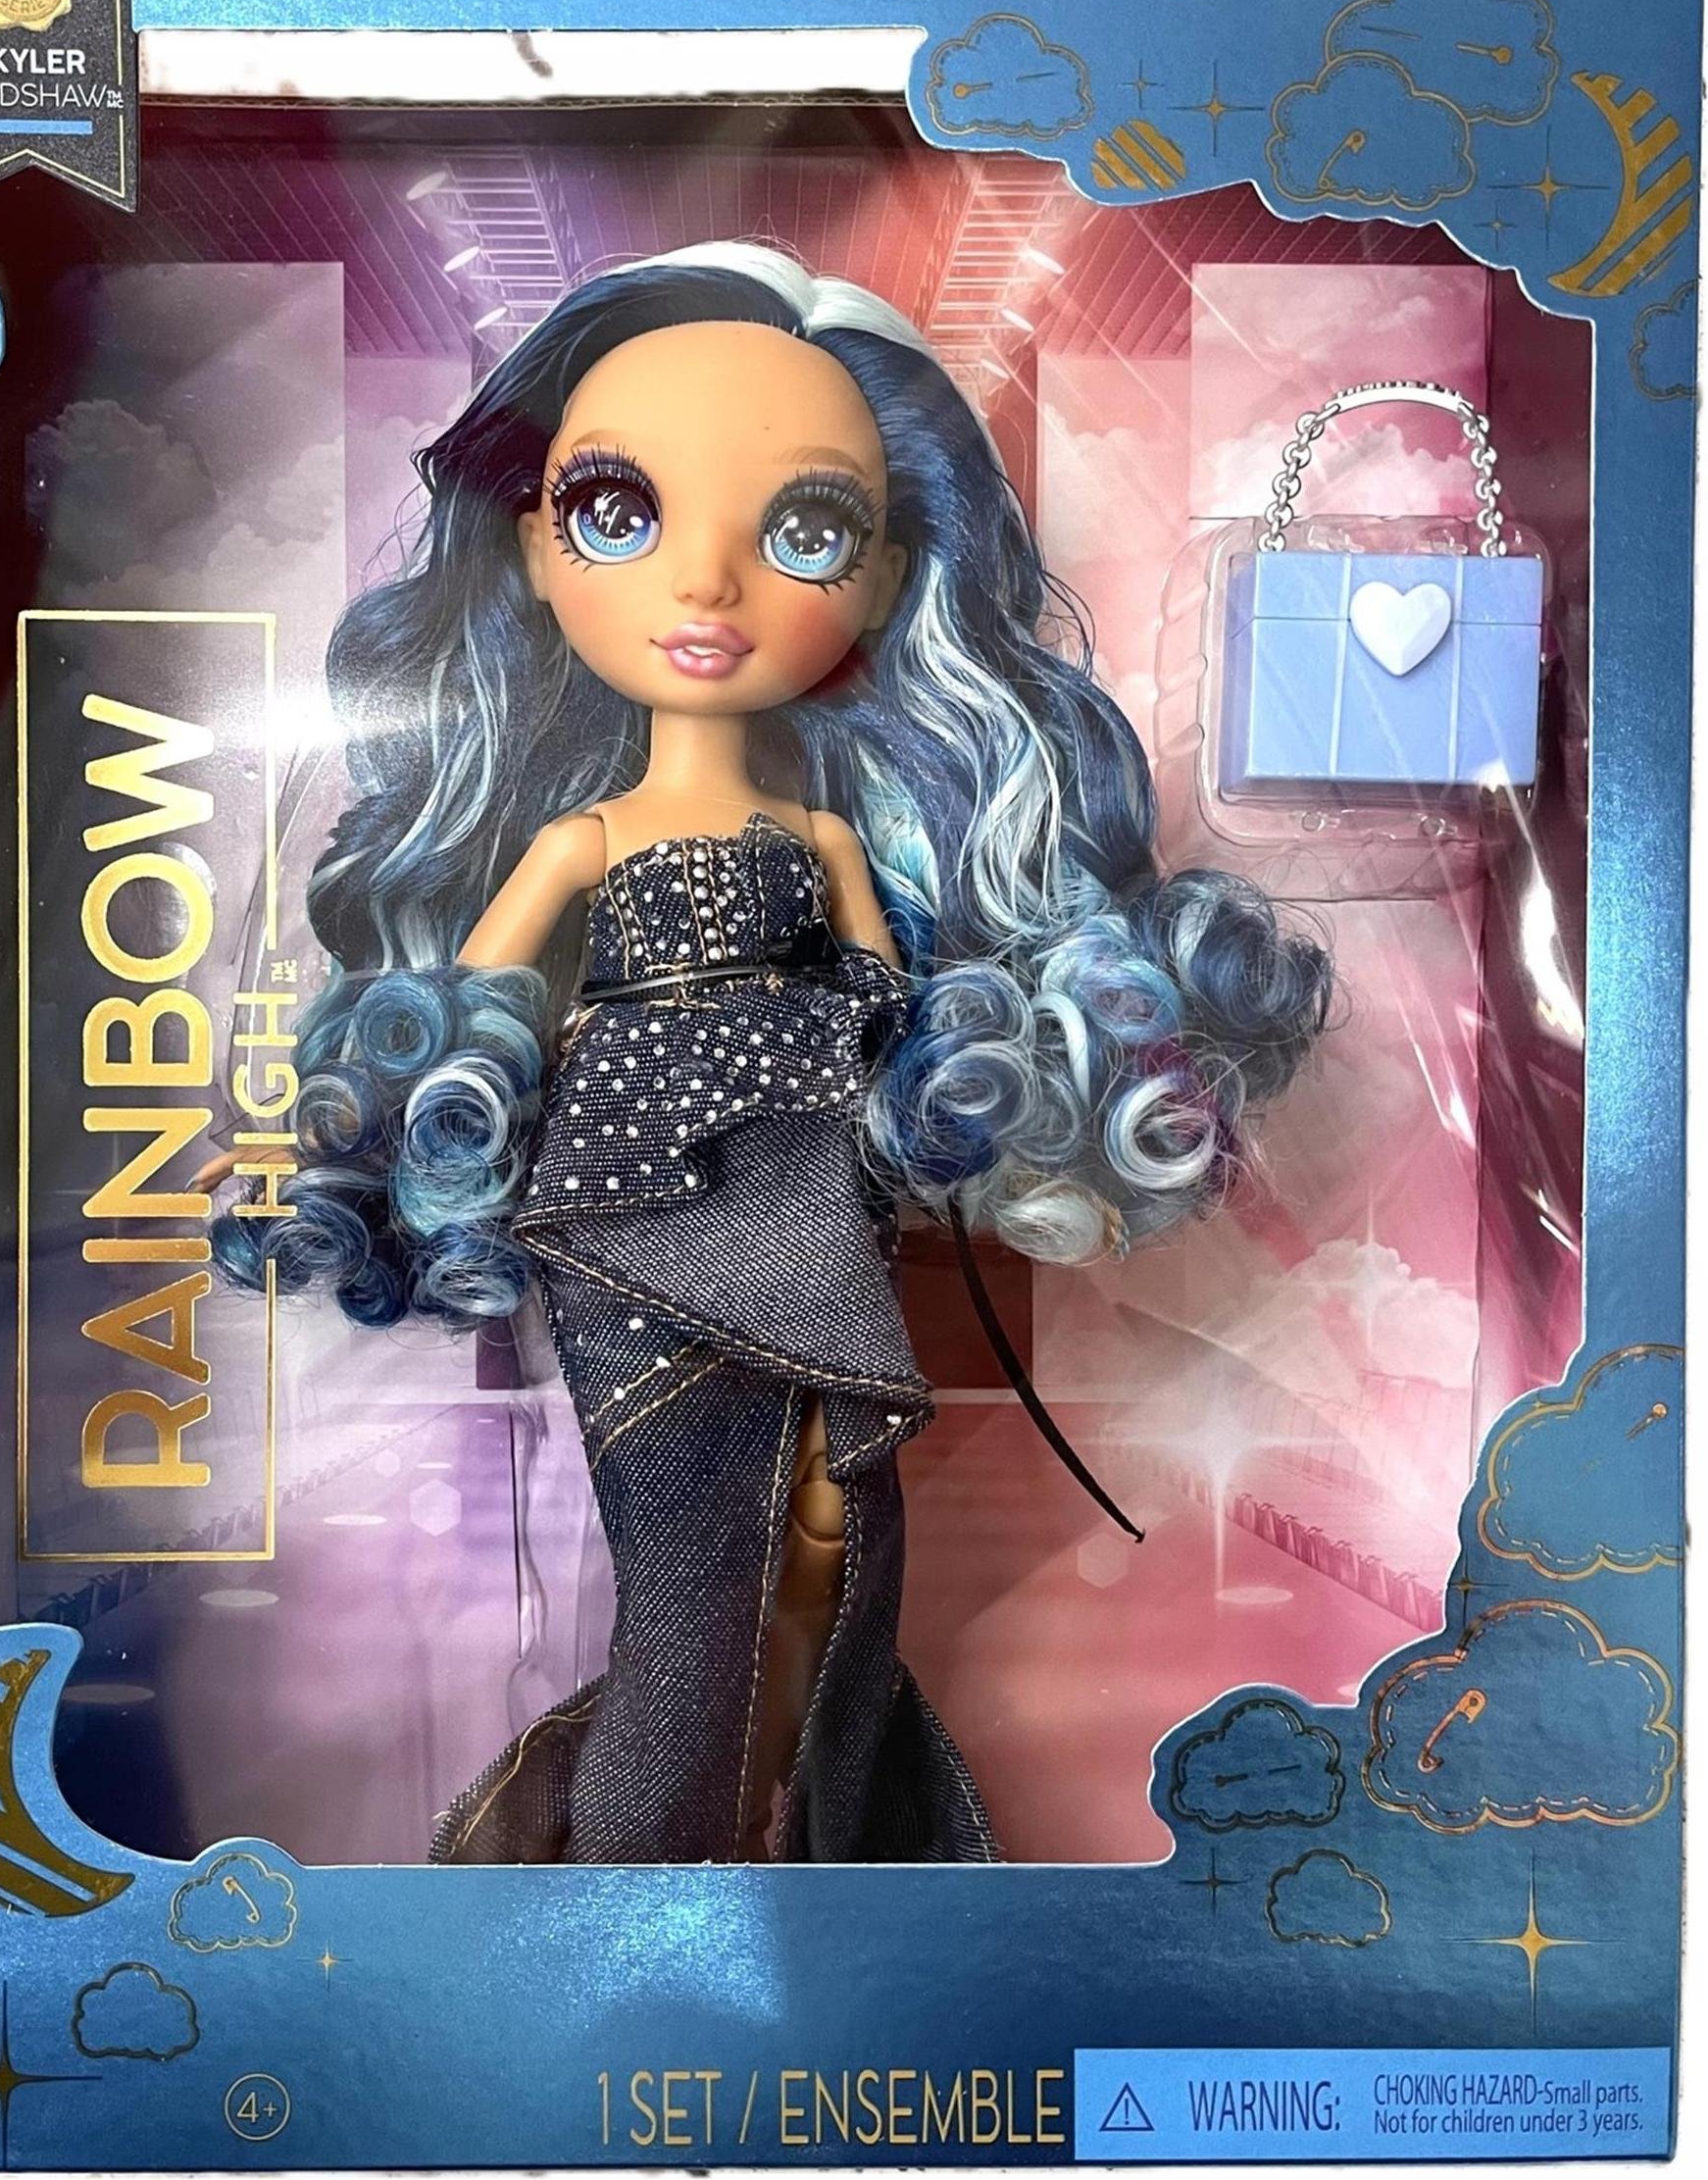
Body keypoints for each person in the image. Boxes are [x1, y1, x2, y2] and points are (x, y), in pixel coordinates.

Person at [212, 242, 1331, 1863]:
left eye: (802, 530)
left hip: (807, 1177)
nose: (707, 584)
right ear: (533, 549)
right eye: (619, 510)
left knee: (837, 1518)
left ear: (880, 580)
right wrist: (458, 1101)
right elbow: (475, 994)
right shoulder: (582, 835)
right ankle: (628, 1862)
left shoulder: (825, 834)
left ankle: (810, 1824)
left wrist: (930, 1071)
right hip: (628, 1187)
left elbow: (886, 984)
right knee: (690, 1551)